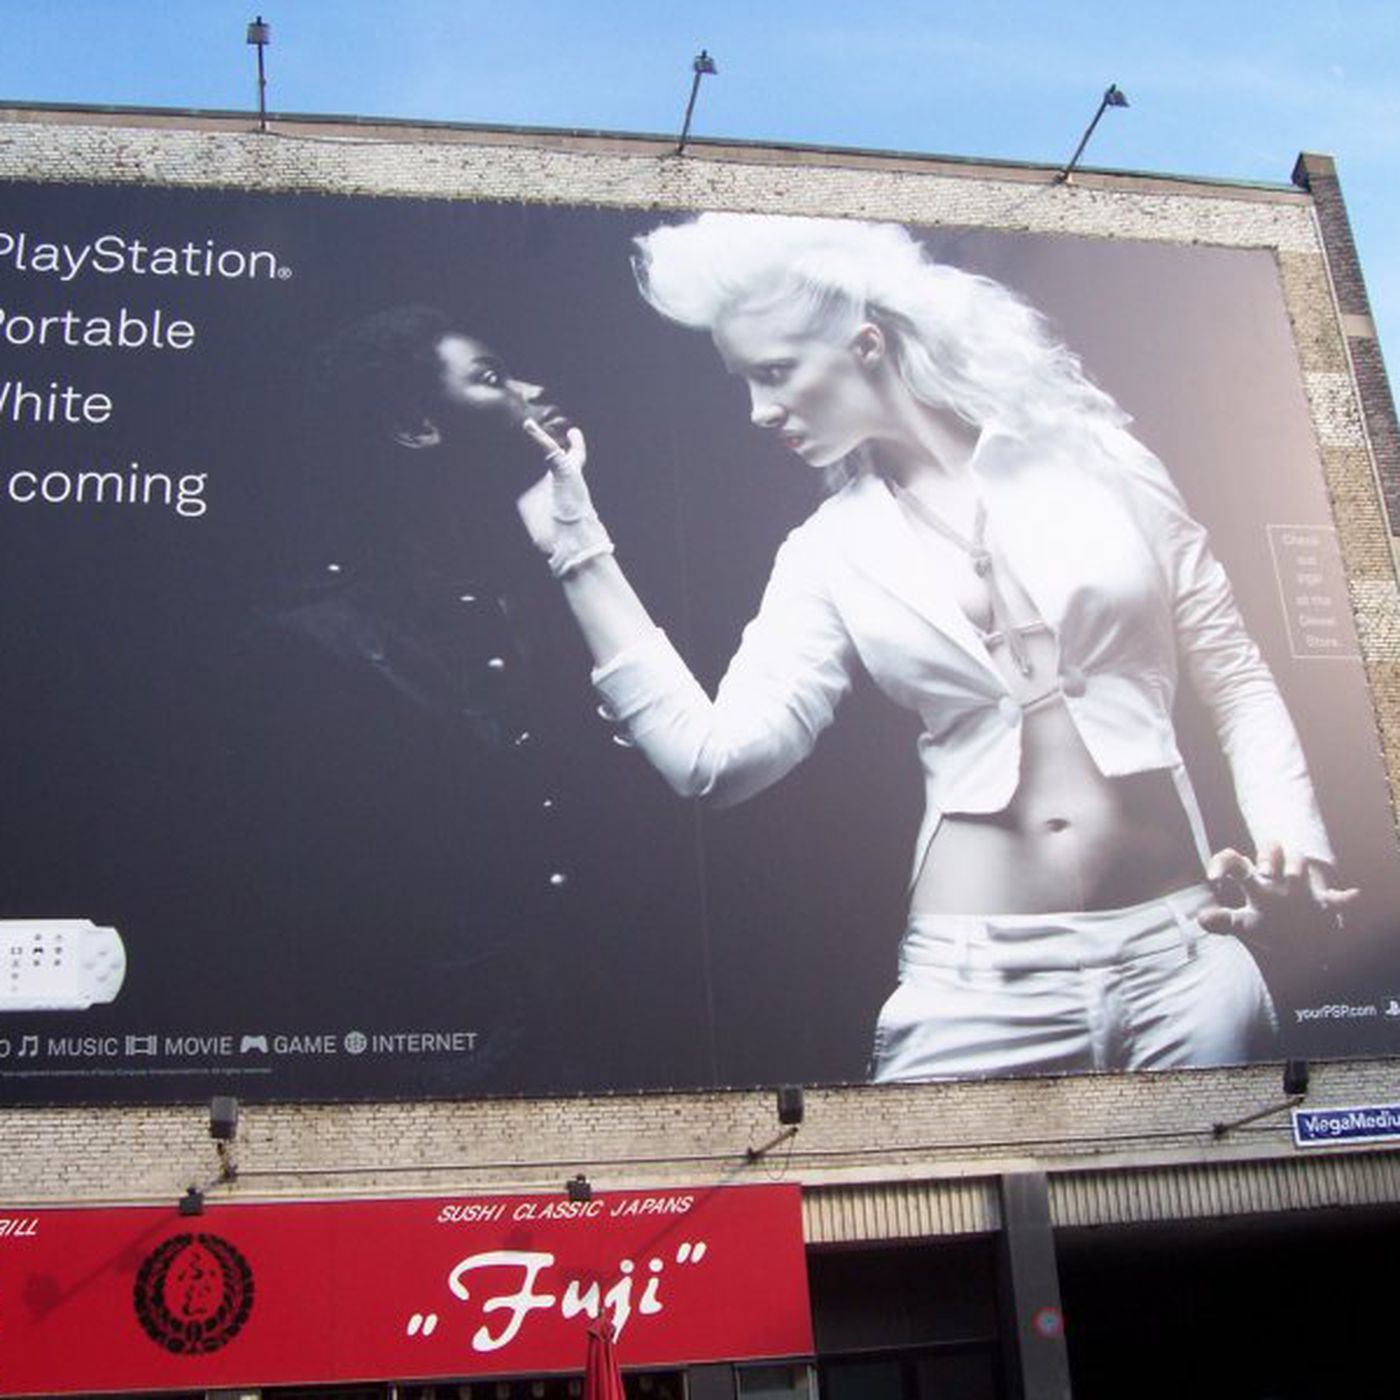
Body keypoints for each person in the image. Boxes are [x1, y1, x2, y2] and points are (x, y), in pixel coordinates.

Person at [516, 212, 1355, 1081]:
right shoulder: (828, 549)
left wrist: (1291, 843)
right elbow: (715, 763)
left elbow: (1235, 674)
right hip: (976, 990)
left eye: (774, 373)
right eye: (745, 383)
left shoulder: (1101, 463)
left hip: (1188, 963)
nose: (759, 412)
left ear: (866, 345)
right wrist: (577, 550)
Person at [206, 305, 591, 1093]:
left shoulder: (533, 578)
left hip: (565, 1036)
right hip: (438, 1071)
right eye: (492, 378)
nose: (532, 388)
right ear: (417, 428)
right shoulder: (316, 643)